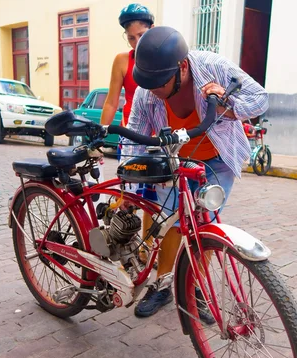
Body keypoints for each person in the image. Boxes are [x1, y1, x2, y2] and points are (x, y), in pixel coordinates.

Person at [122, 26, 269, 320]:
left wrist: (229, 105)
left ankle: (195, 288)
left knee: (204, 225)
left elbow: (260, 98)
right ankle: (163, 285)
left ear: (183, 68)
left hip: (216, 161)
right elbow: (133, 138)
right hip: (173, 163)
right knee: (170, 225)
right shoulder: (146, 92)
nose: (152, 90)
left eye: (158, 83)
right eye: (147, 83)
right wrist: (128, 189)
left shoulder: (214, 67)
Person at [101, 3, 158, 265]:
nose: (137, 43)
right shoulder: (122, 61)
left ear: (152, 30)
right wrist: (102, 133)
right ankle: (115, 232)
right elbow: (112, 101)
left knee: (153, 197)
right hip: (133, 137)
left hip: (160, 138)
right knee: (130, 195)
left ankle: (147, 247)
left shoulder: (163, 54)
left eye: (142, 36)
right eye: (131, 37)